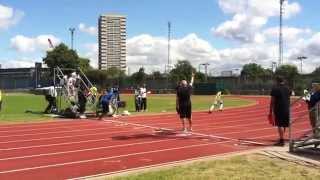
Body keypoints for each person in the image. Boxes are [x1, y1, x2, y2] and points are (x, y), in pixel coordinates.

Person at [269, 76, 290, 146]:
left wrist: (270, 111)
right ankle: (282, 138)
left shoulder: (275, 89)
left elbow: (272, 101)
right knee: (283, 124)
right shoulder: (287, 88)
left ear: (277, 81)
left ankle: (281, 140)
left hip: (279, 108)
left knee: (279, 124)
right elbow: (290, 95)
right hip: (287, 108)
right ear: (283, 81)